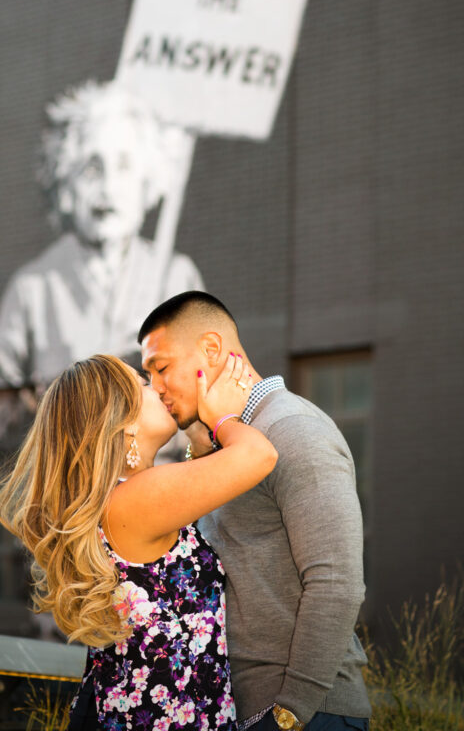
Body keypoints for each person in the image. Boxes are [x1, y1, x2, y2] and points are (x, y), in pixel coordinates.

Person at [0, 352, 277, 731]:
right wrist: (219, 415)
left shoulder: (122, 500)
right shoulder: (135, 500)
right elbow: (259, 455)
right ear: (122, 422)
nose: (156, 386)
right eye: (143, 384)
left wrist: (197, 437)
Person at [138, 292, 371, 731]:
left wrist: (289, 712)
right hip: (242, 711)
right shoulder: (224, 447)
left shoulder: (294, 430)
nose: (157, 388)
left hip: (309, 713)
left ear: (210, 349)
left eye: (162, 368)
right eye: (149, 375)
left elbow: (337, 583)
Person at [0, 81, 203, 390]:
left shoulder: (176, 278)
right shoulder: (31, 290)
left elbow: (205, 393)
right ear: (65, 184)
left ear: (148, 179)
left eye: (124, 166)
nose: (108, 188)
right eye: (91, 170)